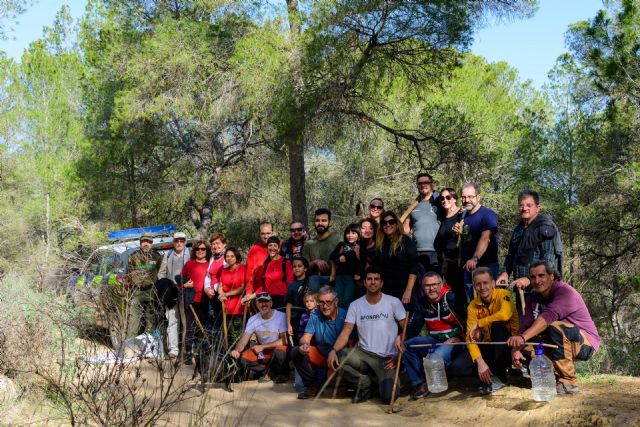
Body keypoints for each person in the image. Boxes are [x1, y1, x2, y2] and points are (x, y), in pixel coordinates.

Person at [507, 262, 600, 395]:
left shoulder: (566, 292)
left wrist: (522, 338)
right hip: (557, 341)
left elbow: (547, 318)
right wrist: (515, 349)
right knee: (526, 349)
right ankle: (553, 377)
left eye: (541, 276)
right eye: (533, 277)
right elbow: (525, 326)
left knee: (555, 327)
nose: (537, 281)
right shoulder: (533, 298)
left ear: (552, 276)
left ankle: (568, 382)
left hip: (585, 344)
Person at [327, 267, 407, 404]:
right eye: (369, 279)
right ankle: (364, 385)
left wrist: (398, 351)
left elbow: (406, 328)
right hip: (364, 354)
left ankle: (380, 381)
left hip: (387, 359)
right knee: (340, 357)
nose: (373, 282)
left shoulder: (393, 302)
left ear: (381, 283)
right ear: (364, 282)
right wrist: (333, 350)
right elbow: (346, 331)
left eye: (376, 279)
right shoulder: (355, 305)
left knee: (389, 398)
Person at [400, 272, 469, 400]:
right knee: (408, 345)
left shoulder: (451, 298)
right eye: (427, 286)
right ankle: (420, 383)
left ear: (441, 284)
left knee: (434, 358)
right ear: (422, 287)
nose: (431, 288)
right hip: (435, 341)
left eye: (434, 285)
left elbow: (469, 321)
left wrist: (460, 338)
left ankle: (441, 381)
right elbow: (413, 328)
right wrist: (400, 337)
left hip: (456, 341)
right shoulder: (422, 303)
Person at [497, 190, 564, 315]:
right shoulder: (519, 229)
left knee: (540, 327)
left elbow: (548, 262)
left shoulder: (545, 228)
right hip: (521, 288)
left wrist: (529, 279)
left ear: (538, 208)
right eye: (521, 205)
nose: (524, 208)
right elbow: (511, 255)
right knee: (523, 324)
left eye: (529, 205)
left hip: (541, 291)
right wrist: (505, 272)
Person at [466, 267, 519, 394]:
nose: (482, 287)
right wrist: (479, 361)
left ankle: (501, 376)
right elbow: (469, 337)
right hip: (488, 346)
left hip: (509, 346)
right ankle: (488, 375)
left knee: (497, 325)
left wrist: (480, 323)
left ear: (493, 283)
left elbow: (504, 315)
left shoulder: (504, 295)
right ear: (474, 286)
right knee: (461, 366)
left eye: (486, 283)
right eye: (478, 284)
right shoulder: (472, 306)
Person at [291, 286, 347, 399]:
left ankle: (342, 383)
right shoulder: (315, 315)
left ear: (336, 302)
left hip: (339, 355)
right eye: (321, 302)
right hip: (321, 353)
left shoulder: (345, 315)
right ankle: (312, 385)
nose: (324, 306)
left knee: (344, 357)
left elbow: (351, 342)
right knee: (296, 351)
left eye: (328, 302)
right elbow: (305, 337)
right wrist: (304, 344)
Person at [453, 182, 500, 302]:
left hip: (486, 266)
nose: (466, 200)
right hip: (469, 268)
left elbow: (485, 238)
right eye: (463, 197)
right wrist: (456, 233)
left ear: (478, 197)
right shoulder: (463, 215)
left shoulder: (487, 214)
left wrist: (475, 258)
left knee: (489, 302)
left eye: (470, 197)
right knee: (473, 303)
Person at [231, 292, 289, 383]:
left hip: (276, 350)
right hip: (263, 353)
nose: (264, 304)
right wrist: (236, 350)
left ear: (271, 303)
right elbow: (244, 340)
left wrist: (263, 346)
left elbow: (284, 340)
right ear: (256, 304)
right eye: (260, 302)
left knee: (281, 351)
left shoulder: (281, 316)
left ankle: (279, 372)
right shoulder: (253, 319)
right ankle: (268, 371)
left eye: (266, 301)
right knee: (242, 358)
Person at [157, 232, 190, 358]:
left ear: (185, 242)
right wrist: (165, 287)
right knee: (172, 321)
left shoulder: (190, 254)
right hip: (171, 294)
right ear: (173, 242)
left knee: (186, 322)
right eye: (177, 241)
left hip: (186, 293)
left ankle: (187, 350)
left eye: (182, 241)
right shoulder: (168, 255)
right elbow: (161, 273)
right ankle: (173, 350)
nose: (179, 243)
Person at [375, 210, 419, 305]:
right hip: (385, 291)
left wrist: (408, 291)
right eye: (384, 222)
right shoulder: (380, 244)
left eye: (391, 222)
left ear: (397, 224)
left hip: (403, 291)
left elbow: (414, 268)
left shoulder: (406, 241)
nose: (388, 224)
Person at [179, 239, 212, 365]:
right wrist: (184, 285)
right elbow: (180, 280)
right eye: (197, 249)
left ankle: (201, 353)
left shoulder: (210, 264)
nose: (200, 251)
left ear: (207, 250)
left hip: (206, 301)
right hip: (191, 301)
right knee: (190, 328)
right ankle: (187, 354)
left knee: (203, 328)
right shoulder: (189, 264)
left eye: (203, 249)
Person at [434, 188, 466, 314]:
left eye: (448, 197)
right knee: (451, 299)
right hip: (447, 265)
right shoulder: (443, 217)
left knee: (463, 297)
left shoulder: (462, 214)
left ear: (455, 199)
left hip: (461, 263)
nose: (444, 200)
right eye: (442, 198)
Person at [403, 173, 442, 273]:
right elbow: (406, 229)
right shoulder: (413, 205)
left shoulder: (440, 201)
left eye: (426, 182)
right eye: (420, 183)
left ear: (431, 184)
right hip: (416, 252)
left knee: (435, 283)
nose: (423, 185)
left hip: (436, 252)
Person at [126, 232, 162, 338]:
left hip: (152, 291)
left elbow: (160, 271)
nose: (146, 244)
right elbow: (129, 273)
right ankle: (130, 344)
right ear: (140, 243)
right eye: (143, 241)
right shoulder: (133, 256)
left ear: (151, 243)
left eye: (148, 241)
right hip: (137, 291)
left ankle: (150, 346)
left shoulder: (156, 256)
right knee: (133, 319)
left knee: (151, 319)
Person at [244, 236, 293, 308]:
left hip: (283, 301)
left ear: (279, 248)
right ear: (267, 248)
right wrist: (250, 296)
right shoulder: (266, 264)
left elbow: (290, 284)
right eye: (270, 245)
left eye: (275, 246)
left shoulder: (286, 262)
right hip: (268, 301)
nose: (272, 248)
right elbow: (263, 286)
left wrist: (289, 303)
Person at [211, 247, 246, 339]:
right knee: (229, 334)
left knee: (239, 334)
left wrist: (226, 294)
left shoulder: (242, 268)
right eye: (227, 256)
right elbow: (220, 286)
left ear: (237, 257)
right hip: (226, 306)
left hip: (239, 307)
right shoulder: (224, 270)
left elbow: (242, 288)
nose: (229, 258)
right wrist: (221, 294)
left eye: (232, 256)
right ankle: (229, 352)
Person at [285, 257, 318, 344]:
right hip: (295, 319)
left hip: (311, 317)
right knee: (297, 343)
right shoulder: (291, 285)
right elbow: (288, 306)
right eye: (294, 266)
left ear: (305, 268)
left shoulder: (313, 280)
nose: (296, 268)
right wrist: (288, 324)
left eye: (299, 266)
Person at [329, 223, 362, 309]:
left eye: (353, 233)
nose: (350, 235)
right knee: (338, 298)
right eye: (348, 233)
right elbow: (331, 256)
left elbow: (361, 261)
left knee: (347, 299)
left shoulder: (360, 247)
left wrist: (356, 255)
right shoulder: (342, 245)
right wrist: (340, 255)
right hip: (340, 276)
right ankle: (338, 318)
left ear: (359, 235)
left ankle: (347, 319)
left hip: (351, 277)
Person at [245, 222, 273, 296]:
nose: (266, 236)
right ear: (259, 234)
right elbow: (249, 274)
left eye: (268, 233)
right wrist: (248, 292)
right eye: (263, 233)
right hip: (259, 293)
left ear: (272, 233)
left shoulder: (280, 247)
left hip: (277, 292)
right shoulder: (254, 250)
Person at [207, 233, 227, 326]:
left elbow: (227, 277)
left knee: (222, 321)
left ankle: (223, 340)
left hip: (222, 294)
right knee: (213, 321)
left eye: (218, 243)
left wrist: (215, 288)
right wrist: (206, 288)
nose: (215, 246)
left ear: (224, 244)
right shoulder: (212, 258)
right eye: (213, 244)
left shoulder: (228, 257)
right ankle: (214, 340)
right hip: (211, 296)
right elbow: (208, 276)